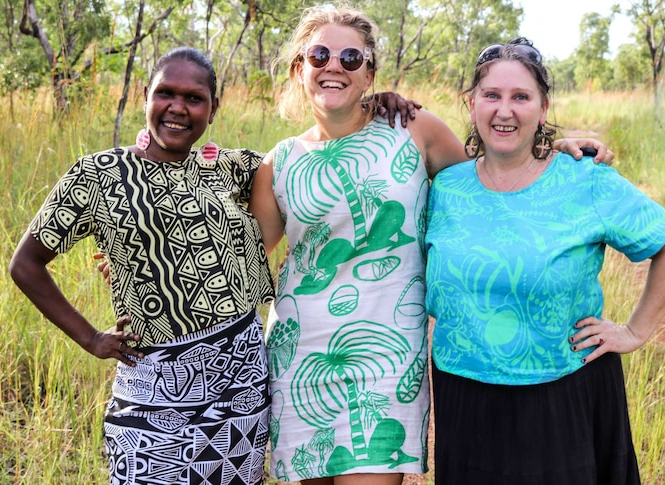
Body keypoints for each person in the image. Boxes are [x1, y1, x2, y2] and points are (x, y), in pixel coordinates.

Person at [248, 6, 613, 484]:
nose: (334, 65)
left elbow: (493, 178)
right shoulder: (280, 164)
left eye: (351, 57)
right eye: (319, 54)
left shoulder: (413, 130)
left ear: (370, 73)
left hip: (388, 354)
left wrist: (554, 150)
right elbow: (244, 263)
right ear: (300, 68)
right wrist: (137, 251)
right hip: (299, 357)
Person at [424, 37, 665, 484]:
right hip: (464, 394)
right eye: (491, 95)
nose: (504, 111)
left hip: (562, 393)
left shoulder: (583, 179)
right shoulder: (446, 187)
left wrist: (634, 330)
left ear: (543, 107)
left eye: (521, 97)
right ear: (471, 104)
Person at [9, 47, 277, 485]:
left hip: (239, 383)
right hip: (152, 391)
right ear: (145, 95)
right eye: (165, 93)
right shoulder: (99, 175)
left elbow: (315, 158)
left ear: (213, 108)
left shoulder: (235, 167)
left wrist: (374, 106)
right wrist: (91, 338)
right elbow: (26, 264)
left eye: (194, 98)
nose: (178, 108)